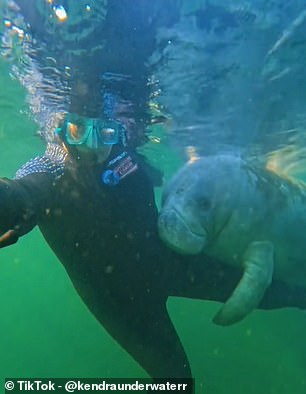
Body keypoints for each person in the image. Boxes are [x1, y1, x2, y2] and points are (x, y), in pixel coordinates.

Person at [1, 0, 306, 384]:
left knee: (286, 294)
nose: (92, 149)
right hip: (117, 296)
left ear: (119, 131)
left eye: (107, 135)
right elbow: (21, 194)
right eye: (78, 132)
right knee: (176, 380)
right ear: (61, 129)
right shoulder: (51, 169)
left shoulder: (123, 151)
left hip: (168, 260)